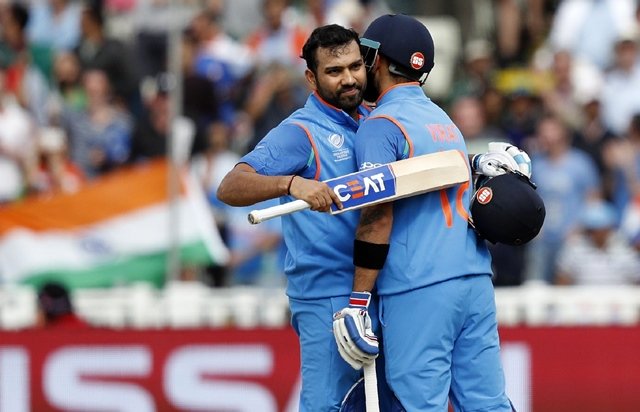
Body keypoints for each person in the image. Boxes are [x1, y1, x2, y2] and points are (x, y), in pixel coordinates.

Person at [218, 23, 527, 411]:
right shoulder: (299, 132)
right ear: (311, 77)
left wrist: (474, 162)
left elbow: (411, 172)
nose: (348, 79)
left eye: (354, 67)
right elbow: (230, 186)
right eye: (334, 72)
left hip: (379, 289)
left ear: (368, 63)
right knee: (329, 406)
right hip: (328, 294)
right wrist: (291, 184)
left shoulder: (374, 117)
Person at [331, 14, 515, 411]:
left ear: (378, 62)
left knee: (419, 402)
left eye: (365, 57)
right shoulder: (444, 120)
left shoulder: (381, 124)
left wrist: (359, 300)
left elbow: (376, 214)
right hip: (474, 277)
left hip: (419, 285)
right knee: (487, 403)